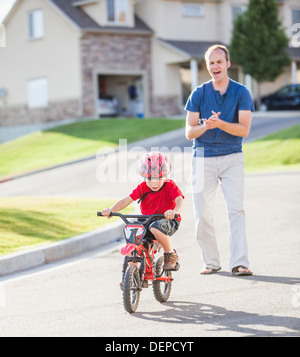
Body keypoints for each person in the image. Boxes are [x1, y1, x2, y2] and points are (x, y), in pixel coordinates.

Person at [185, 44, 254, 276]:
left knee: (236, 210)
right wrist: (206, 125)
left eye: (219, 62)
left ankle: (240, 263)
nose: (215, 66)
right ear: (208, 66)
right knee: (202, 212)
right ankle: (211, 262)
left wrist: (221, 124)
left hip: (232, 157)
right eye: (211, 63)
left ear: (228, 64)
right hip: (202, 157)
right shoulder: (199, 93)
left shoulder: (241, 92)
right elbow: (189, 132)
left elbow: (244, 130)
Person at [101, 151, 184, 270]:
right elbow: (125, 201)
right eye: (149, 179)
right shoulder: (143, 187)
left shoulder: (170, 186)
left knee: (155, 227)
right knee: (132, 228)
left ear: (164, 176)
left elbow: (180, 200)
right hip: (148, 221)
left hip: (168, 220)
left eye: (158, 179)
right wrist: (111, 210)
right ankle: (131, 267)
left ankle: (170, 254)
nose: (153, 183)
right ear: (144, 177)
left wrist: (174, 211)